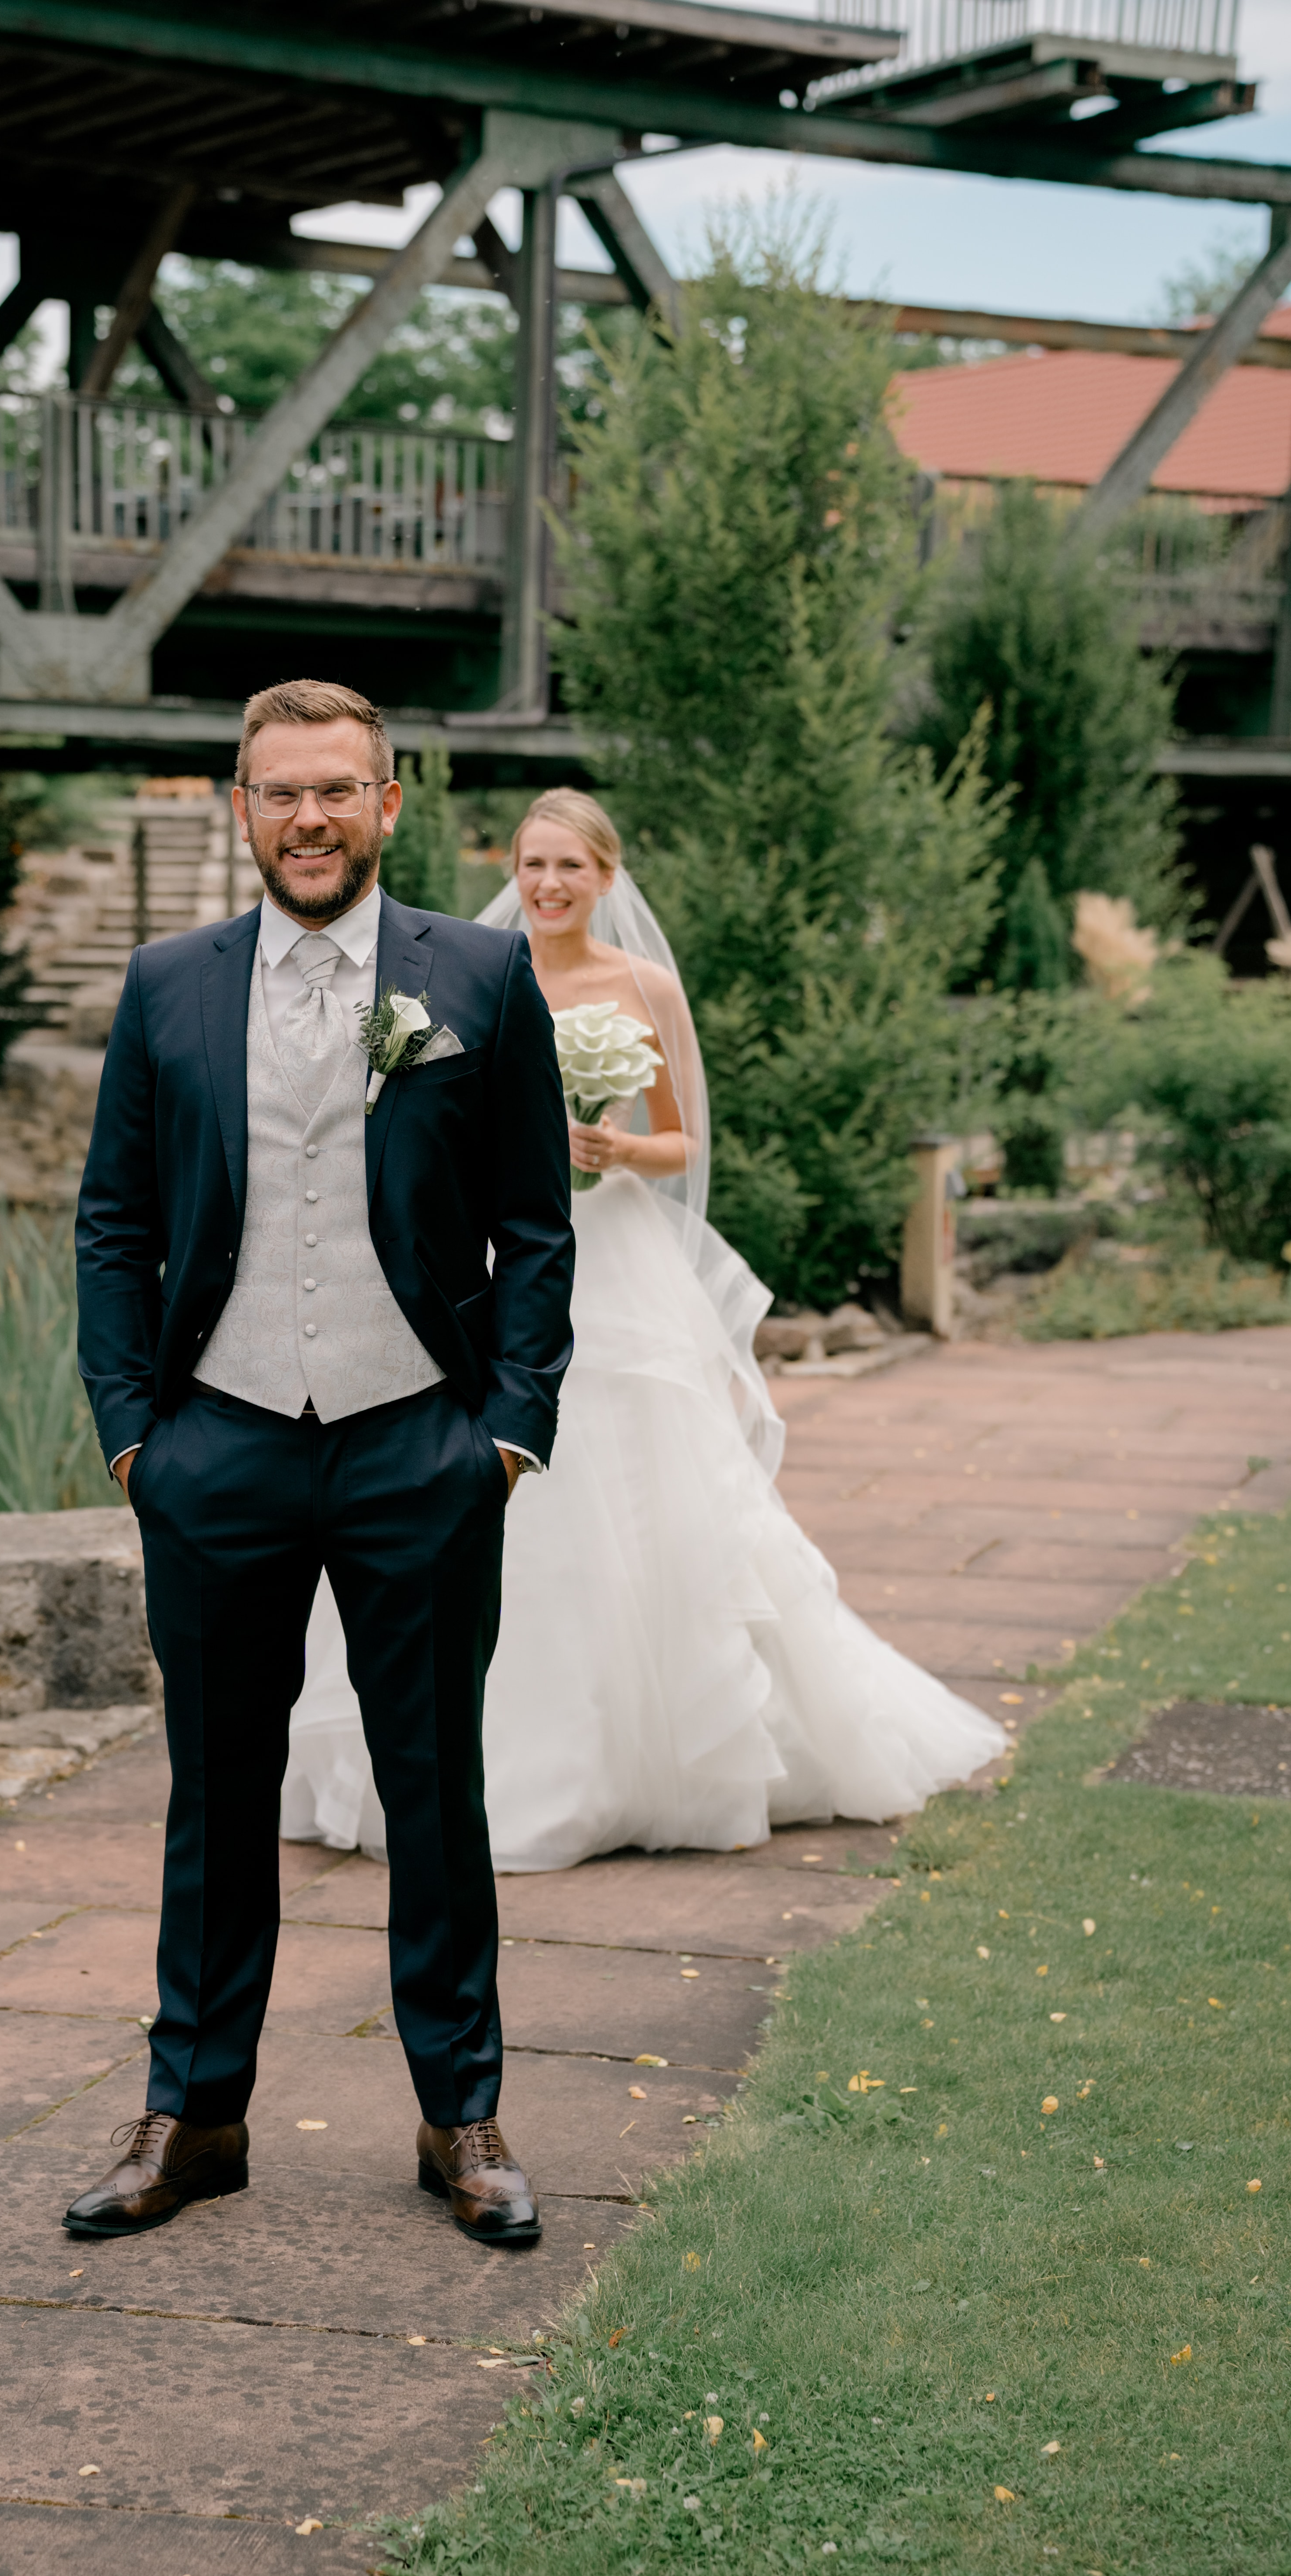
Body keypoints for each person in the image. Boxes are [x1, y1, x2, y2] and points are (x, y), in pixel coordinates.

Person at [69, 681, 574, 2247]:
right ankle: (196, 2116)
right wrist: (135, 1433)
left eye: (338, 791)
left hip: (418, 1442)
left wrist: (506, 1427)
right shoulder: (167, 985)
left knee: (436, 1789)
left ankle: (462, 2119)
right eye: (280, 792)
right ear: (241, 808)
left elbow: (538, 1223)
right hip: (214, 1447)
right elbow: (116, 1225)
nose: (309, 818)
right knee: (216, 1798)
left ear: (389, 806)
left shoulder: (478, 975)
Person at [282, 789, 1002, 1873]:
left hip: (614, 1265)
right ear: (512, 871)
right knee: (470, 1496)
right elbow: (416, 1119)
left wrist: (615, 1150)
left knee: (635, 1490)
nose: (548, 886)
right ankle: (459, 1759)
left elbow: (687, 1142)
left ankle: (649, 1758)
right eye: (532, 865)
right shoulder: (469, 969)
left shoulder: (644, 988)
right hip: (490, 1261)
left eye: (570, 867)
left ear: (607, 878)